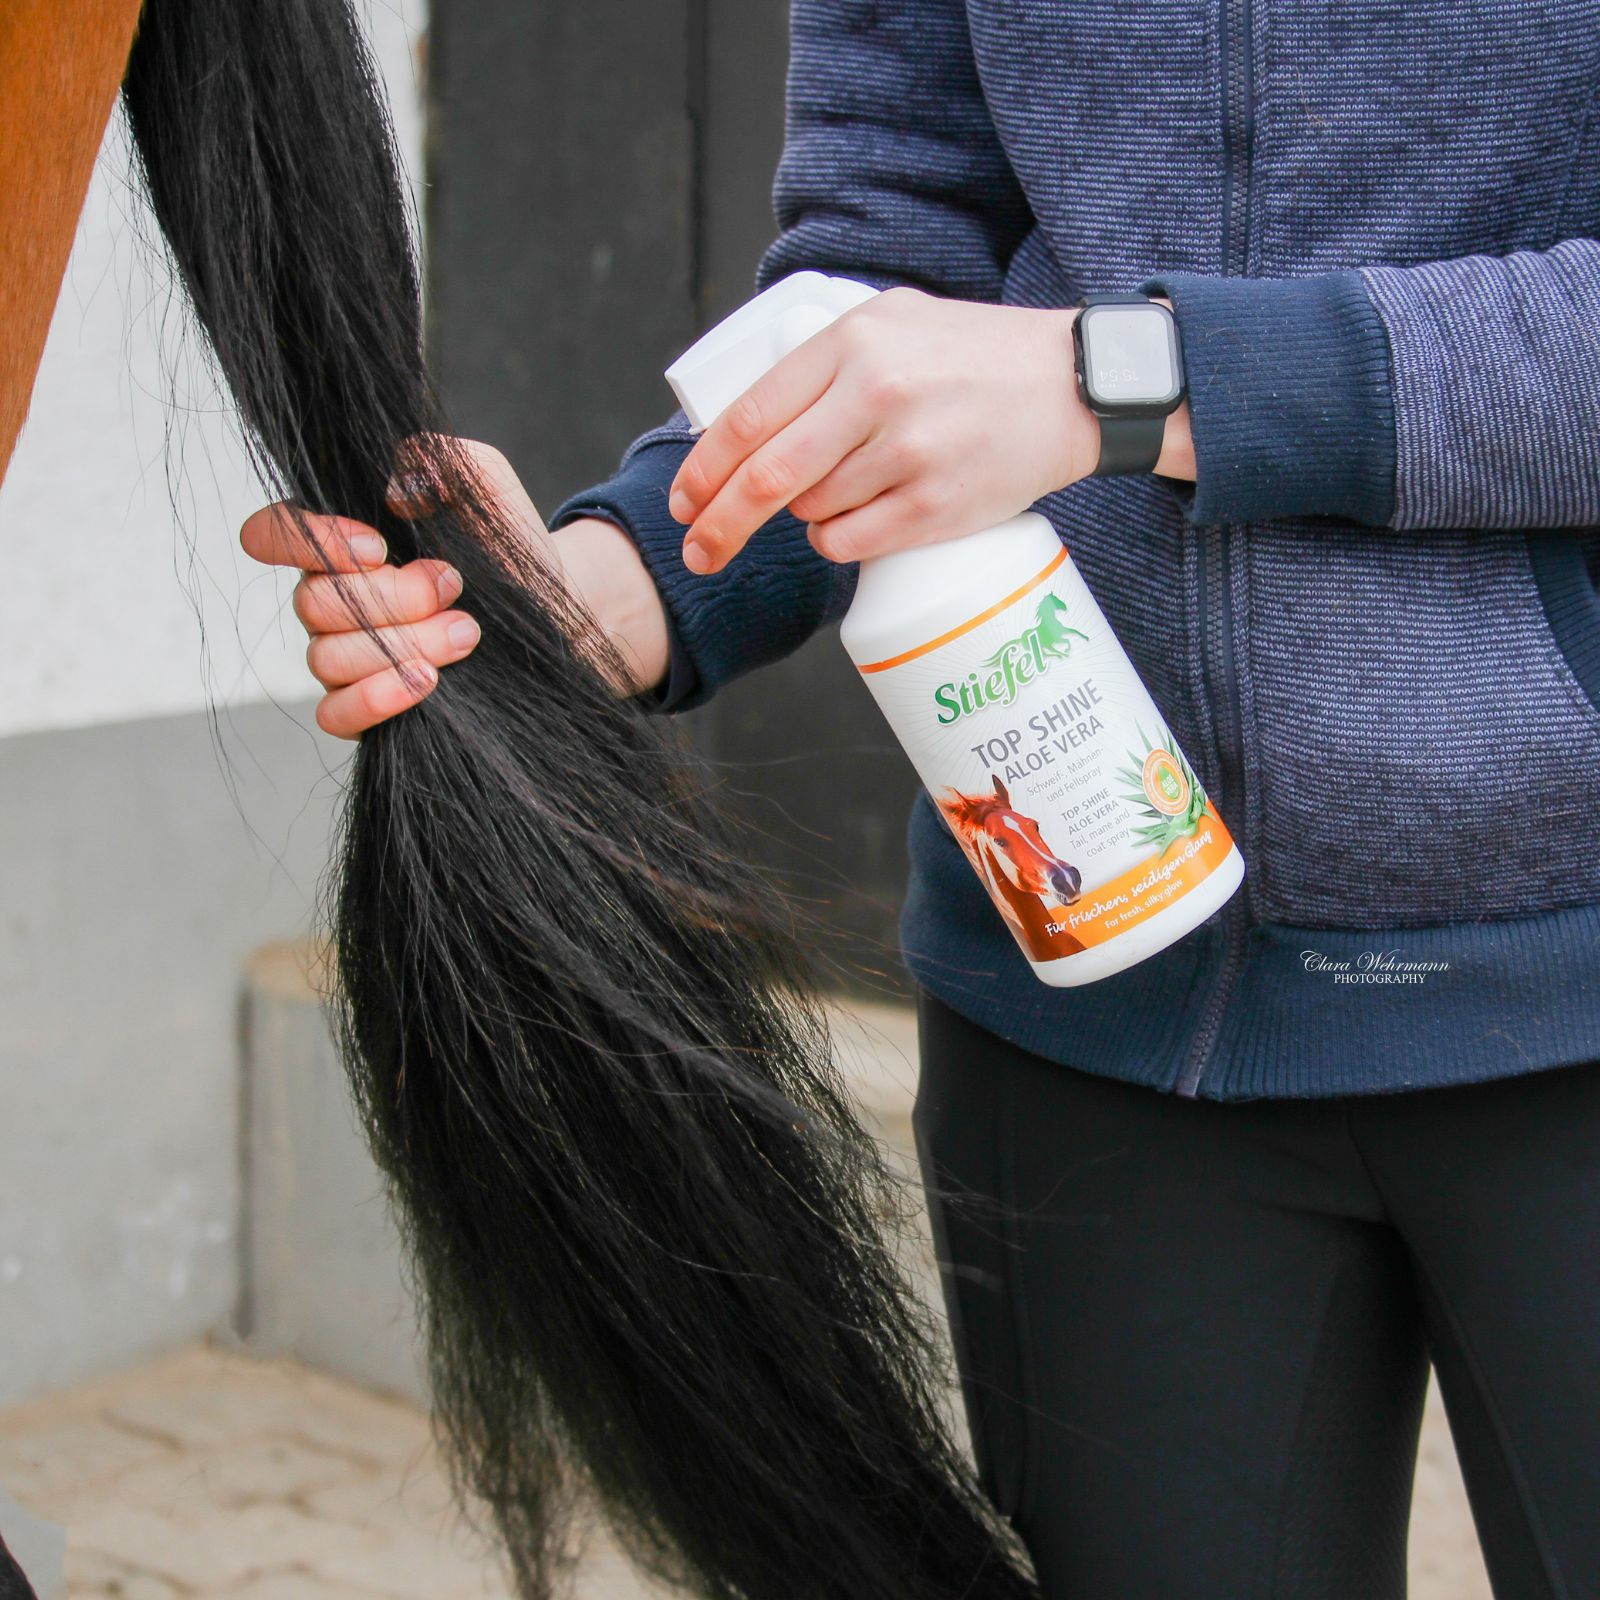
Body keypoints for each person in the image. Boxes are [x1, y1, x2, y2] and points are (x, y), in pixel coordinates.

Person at [243, 1, 1600, 1594]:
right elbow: (881, 282)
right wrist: (612, 589)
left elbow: (1041, 376)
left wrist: (1130, 384)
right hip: (1087, 1022)